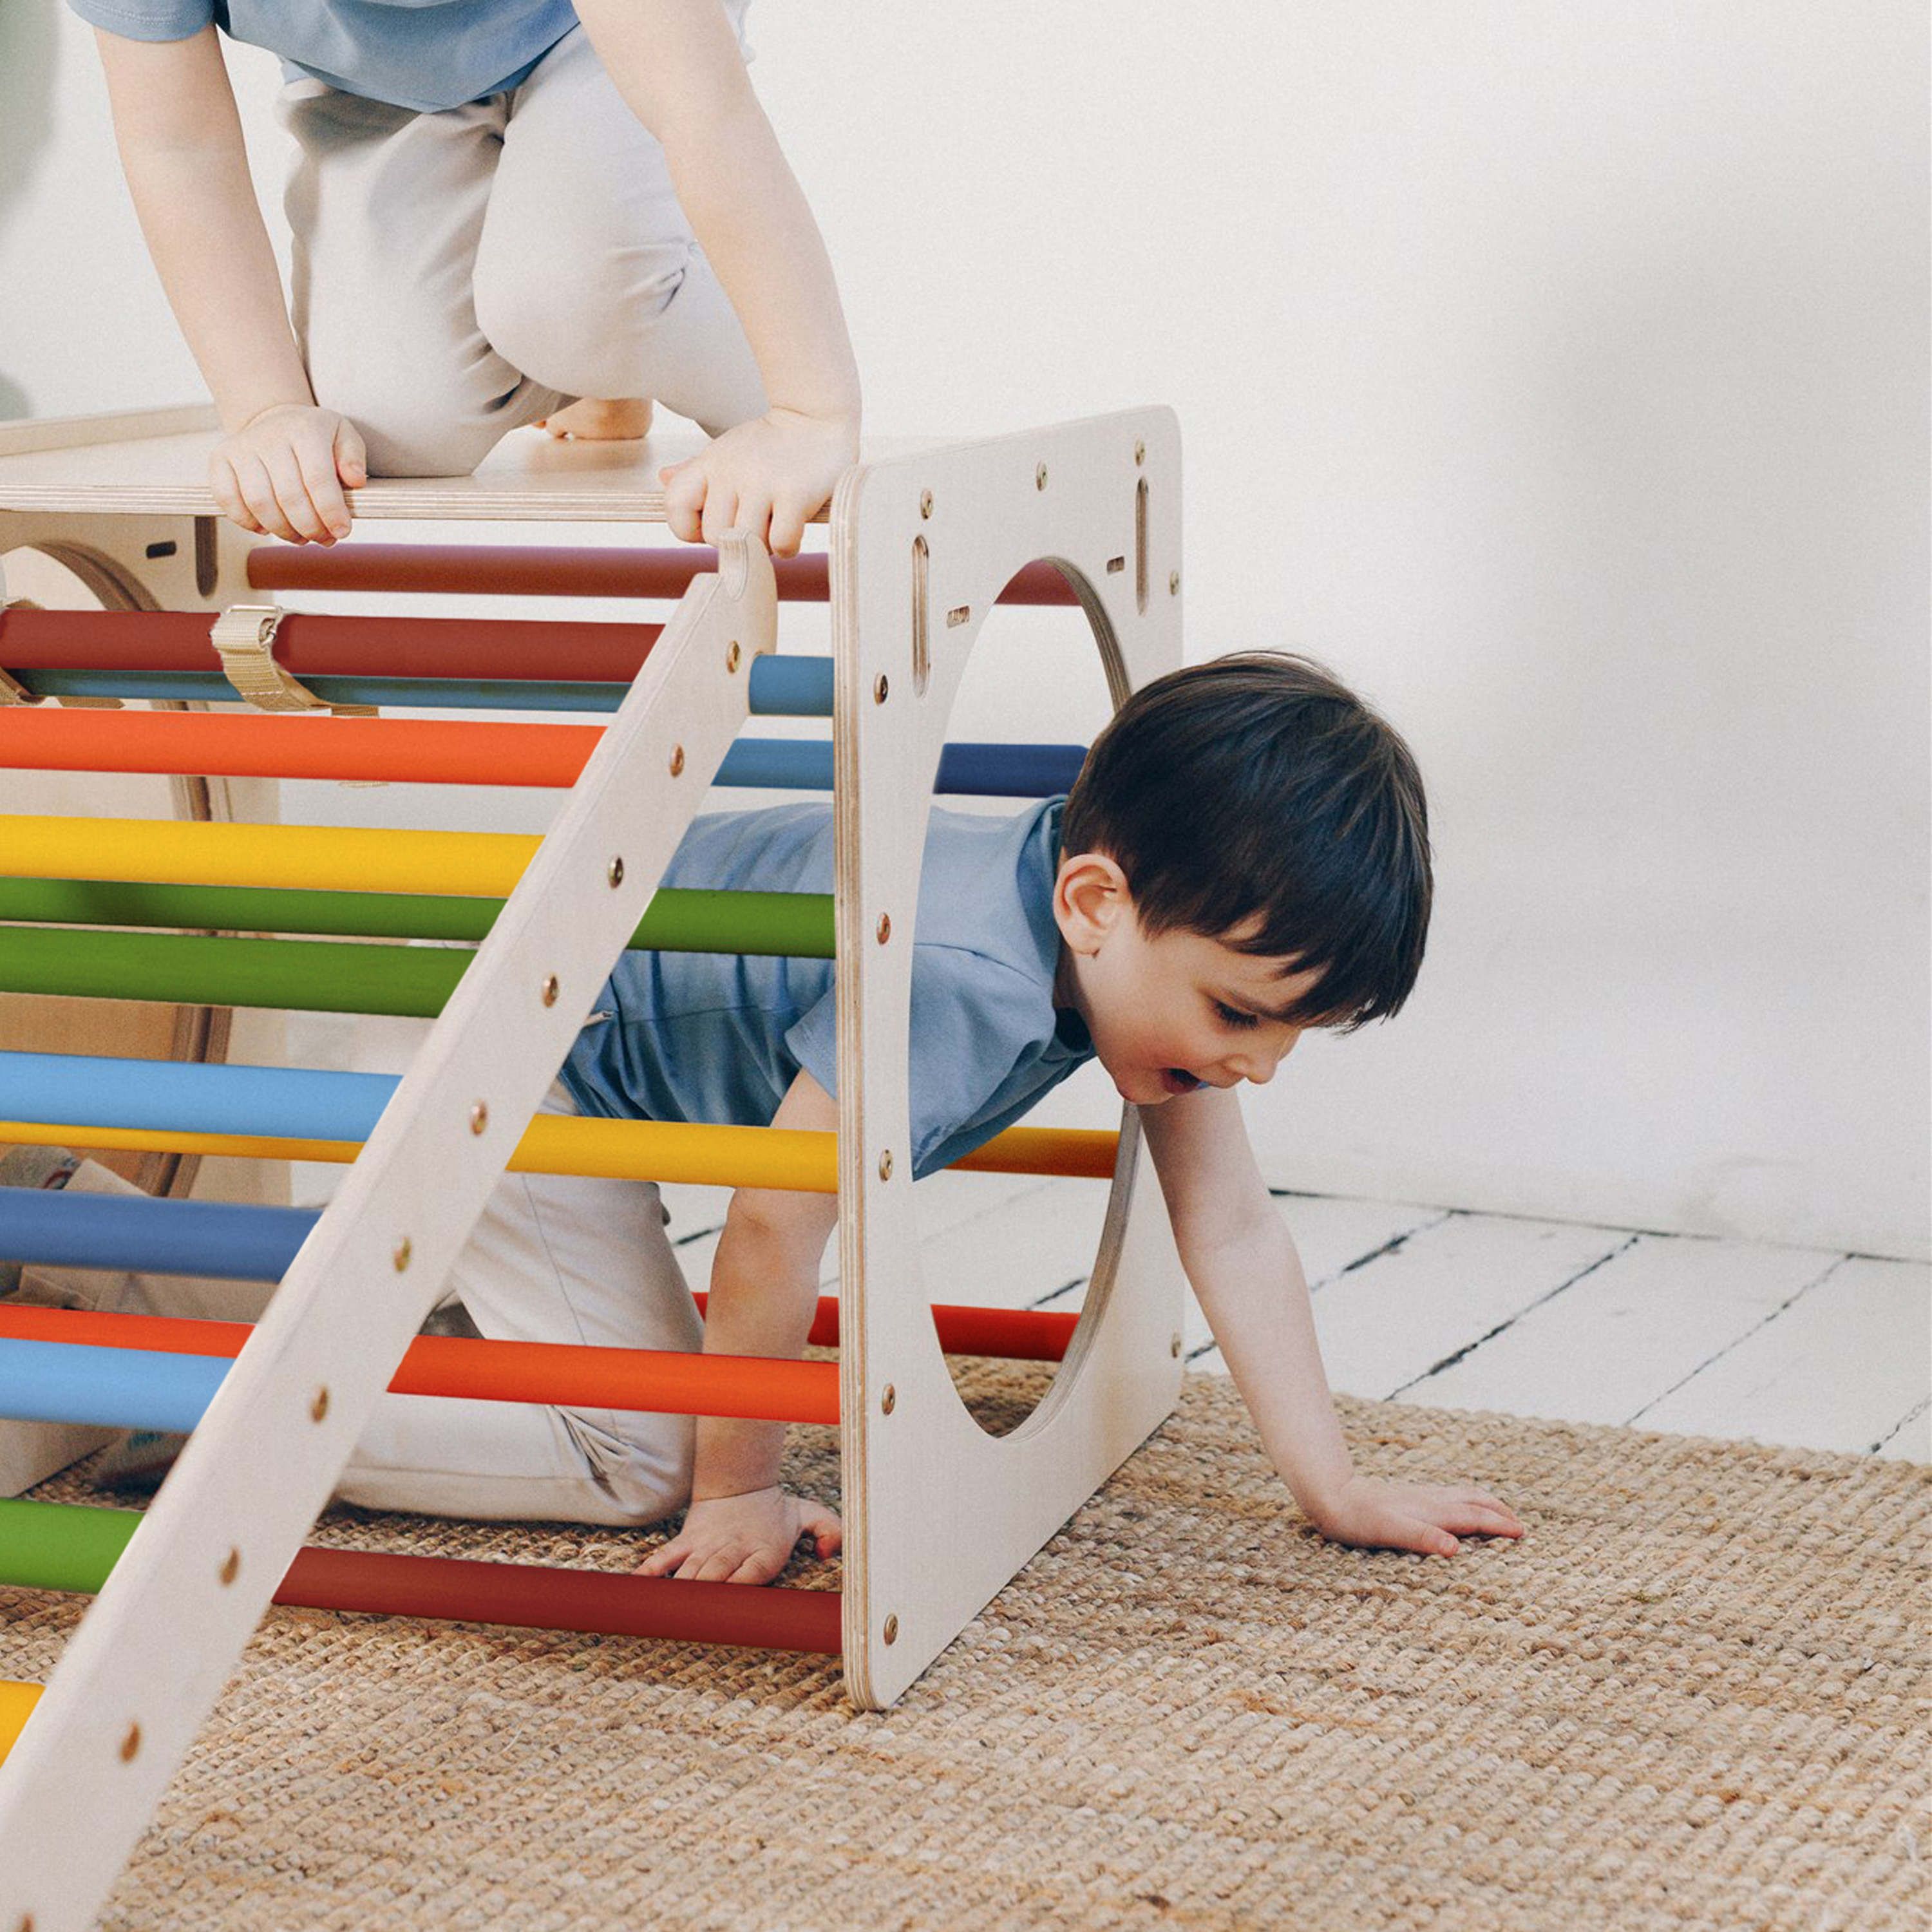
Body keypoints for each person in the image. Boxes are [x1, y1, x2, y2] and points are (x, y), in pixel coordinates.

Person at [3, 654, 1525, 1580]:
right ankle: (196, 1377)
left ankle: (95, 1247)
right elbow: (773, 1216)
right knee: (636, 1458)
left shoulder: (1124, 953)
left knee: (610, 1384)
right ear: (1093, 902)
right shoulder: (956, 972)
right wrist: (741, 1477)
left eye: (1290, 1032)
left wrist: (1328, 1481)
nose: (1254, 1065)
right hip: (512, 1068)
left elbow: (1234, 1224)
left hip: (539, 1044)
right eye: (1241, 1015)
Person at [68, 0, 861, 557]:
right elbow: (180, 150)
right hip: (381, 83)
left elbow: (699, 108)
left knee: (570, 300)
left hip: (602, 32)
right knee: (385, 426)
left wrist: (807, 411)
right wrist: (267, 409)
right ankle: (602, 370)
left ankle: (629, 327)